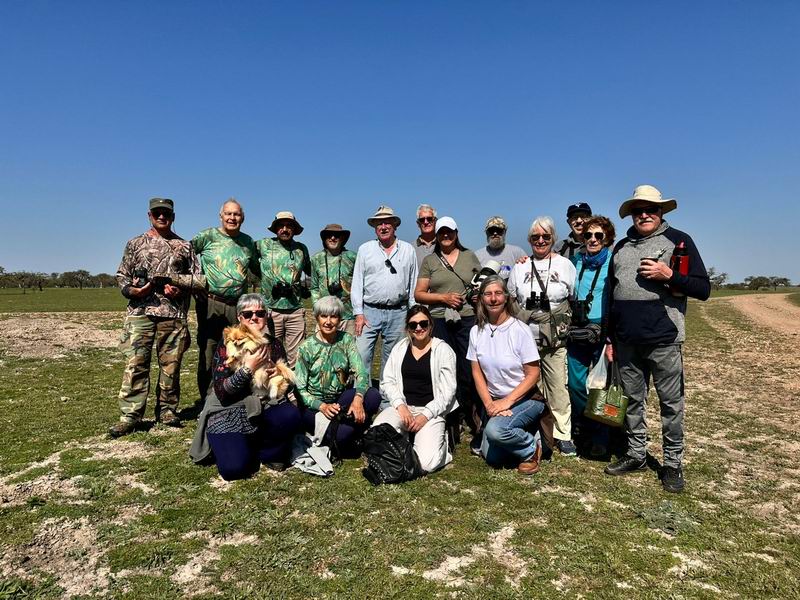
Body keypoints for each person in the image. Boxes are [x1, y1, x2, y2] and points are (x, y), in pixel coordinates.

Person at [604, 185, 710, 493]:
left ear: (661, 212)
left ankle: (673, 464)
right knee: (633, 402)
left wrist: (670, 276)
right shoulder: (621, 247)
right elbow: (611, 295)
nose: (644, 215)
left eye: (650, 209)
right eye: (638, 211)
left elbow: (703, 289)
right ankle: (636, 454)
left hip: (664, 339)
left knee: (671, 405)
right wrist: (610, 337)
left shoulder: (679, 241)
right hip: (626, 341)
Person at [109, 197, 205, 438]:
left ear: (173, 216)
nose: (162, 216)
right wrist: (134, 290)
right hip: (139, 314)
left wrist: (178, 287)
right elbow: (122, 276)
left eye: (166, 213)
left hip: (172, 315)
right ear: (149, 215)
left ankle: (168, 410)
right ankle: (130, 416)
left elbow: (199, 279)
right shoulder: (135, 244)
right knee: (135, 365)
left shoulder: (185, 246)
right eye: (157, 213)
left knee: (170, 366)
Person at [189, 294, 301, 479]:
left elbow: (286, 386)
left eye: (260, 313)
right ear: (240, 318)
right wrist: (248, 368)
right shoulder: (227, 346)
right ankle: (236, 443)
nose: (254, 318)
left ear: (267, 316)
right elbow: (223, 392)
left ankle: (268, 451)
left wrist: (279, 375)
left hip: (263, 405)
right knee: (235, 469)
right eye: (248, 314)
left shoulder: (273, 344)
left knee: (290, 415)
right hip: (230, 408)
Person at [508, 216, 578, 456]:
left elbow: (572, 298)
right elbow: (512, 298)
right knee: (530, 385)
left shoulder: (565, 265)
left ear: (553, 238)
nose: (540, 240)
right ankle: (535, 429)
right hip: (526, 336)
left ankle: (563, 433)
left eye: (545, 236)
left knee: (558, 385)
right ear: (529, 240)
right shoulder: (520, 266)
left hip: (555, 336)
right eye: (535, 237)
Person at [413, 216, 482, 450]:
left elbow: (481, 283)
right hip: (440, 319)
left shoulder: (470, 256)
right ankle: (447, 416)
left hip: (466, 319)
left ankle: (468, 415)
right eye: (442, 232)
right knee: (443, 368)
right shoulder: (430, 260)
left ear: (456, 233)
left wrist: (475, 296)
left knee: (467, 368)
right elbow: (419, 294)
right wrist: (443, 297)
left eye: (449, 232)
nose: (445, 236)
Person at [467, 275, 544, 475]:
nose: (493, 299)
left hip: (524, 398)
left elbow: (533, 373)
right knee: (491, 456)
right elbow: (477, 372)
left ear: (506, 297)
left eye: (498, 293)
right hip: (494, 402)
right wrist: (490, 406)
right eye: (488, 294)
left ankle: (531, 447)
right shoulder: (476, 331)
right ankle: (517, 433)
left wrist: (506, 402)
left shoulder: (520, 330)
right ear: (481, 298)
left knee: (495, 431)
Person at [376, 305, 458, 473]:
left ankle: (444, 448)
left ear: (430, 325)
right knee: (377, 433)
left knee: (426, 464)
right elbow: (388, 380)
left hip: (431, 410)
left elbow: (448, 392)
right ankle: (406, 439)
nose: (419, 328)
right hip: (403, 408)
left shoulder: (443, 350)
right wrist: (400, 405)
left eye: (423, 323)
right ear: (408, 328)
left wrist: (425, 415)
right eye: (413, 325)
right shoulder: (400, 348)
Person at [294, 296, 382, 452]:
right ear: (317, 318)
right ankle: (350, 426)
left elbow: (361, 372)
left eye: (333, 316)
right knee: (343, 436)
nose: (328, 321)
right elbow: (300, 390)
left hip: (341, 400)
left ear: (340, 319)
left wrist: (358, 399)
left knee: (374, 396)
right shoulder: (306, 348)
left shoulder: (346, 340)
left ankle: (348, 419)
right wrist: (322, 406)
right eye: (324, 316)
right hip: (315, 406)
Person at [192, 198, 259, 398]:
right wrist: (194, 282)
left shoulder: (247, 242)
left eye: (236, 214)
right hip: (211, 302)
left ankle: (234, 394)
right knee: (209, 350)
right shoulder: (208, 236)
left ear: (243, 218)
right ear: (221, 216)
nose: (232, 217)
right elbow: (184, 254)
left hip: (238, 306)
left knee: (238, 350)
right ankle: (207, 399)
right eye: (228, 214)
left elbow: (257, 268)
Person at [566, 215, 615, 457]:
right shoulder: (574, 262)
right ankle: (586, 425)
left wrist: (612, 337)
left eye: (598, 235)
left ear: (608, 238)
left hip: (603, 329)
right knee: (575, 384)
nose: (593, 239)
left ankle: (601, 438)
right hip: (577, 329)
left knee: (601, 386)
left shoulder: (614, 263)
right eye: (588, 235)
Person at [351, 205, 418, 378]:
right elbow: (357, 282)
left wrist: (413, 313)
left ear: (395, 225)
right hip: (369, 311)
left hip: (399, 312)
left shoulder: (407, 250)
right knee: (362, 355)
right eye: (379, 223)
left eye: (387, 222)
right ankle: (361, 397)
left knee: (392, 359)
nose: (383, 226)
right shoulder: (365, 250)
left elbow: (413, 283)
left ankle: (386, 400)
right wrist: (358, 313)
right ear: (374, 228)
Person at [255, 211, 311, 367]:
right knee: (270, 354)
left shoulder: (301, 249)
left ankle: (293, 389)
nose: (285, 229)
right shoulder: (263, 245)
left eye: (289, 226)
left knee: (297, 356)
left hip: (295, 311)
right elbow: (249, 261)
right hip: (271, 310)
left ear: (294, 229)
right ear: (275, 229)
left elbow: (311, 271)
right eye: (281, 226)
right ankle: (274, 389)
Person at [310, 224, 357, 335]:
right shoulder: (316, 259)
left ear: (343, 239)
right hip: (325, 317)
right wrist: (318, 309)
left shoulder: (353, 257)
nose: (332, 238)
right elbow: (314, 287)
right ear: (324, 239)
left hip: (348, 317)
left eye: (337, 235)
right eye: (329, 235)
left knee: (348, 350)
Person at [474, 216, 527, 280]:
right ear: (486, 233)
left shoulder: (517, 253)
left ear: (505, 232)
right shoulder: (477, 256)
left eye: (499, 230)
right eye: (491, 230)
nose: (495, 233)